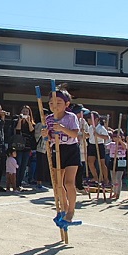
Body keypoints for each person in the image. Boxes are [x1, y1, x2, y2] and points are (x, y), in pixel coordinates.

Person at [46, 89, 82, 222]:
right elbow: (50, 136)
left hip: (71, 149)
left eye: (58, 102)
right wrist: (47, 135)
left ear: (66, 104)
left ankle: (71, 210)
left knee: (69, 182)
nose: (54, 105)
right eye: (51, 103)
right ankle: (64, 207)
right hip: (57, 149)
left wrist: (61, 128)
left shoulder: (71, 117)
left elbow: (74, 134)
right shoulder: (49, 119)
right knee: (57, 184)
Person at [12, 105, 35, 189]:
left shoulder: (31, 122)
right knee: (18, 164)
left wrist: (29, 122)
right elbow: (17, 131)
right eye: (23, 111)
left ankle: (19, 183)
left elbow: (32, 131)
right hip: (19, 146)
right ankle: (15, 183)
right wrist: (20, 120)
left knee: (24, 166)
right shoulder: (16, 121)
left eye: (26, 111)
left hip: (27, 146)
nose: (25, 113)